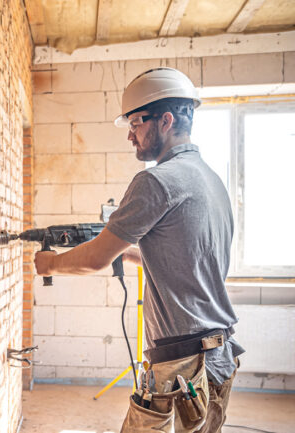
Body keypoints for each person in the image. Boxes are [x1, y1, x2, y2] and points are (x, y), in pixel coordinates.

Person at [34, 67, 244, 432]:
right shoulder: (212, 181)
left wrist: (49, 263)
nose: (130, 135)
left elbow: (96, 257)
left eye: (136, 122)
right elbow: (189, 258)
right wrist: (131, 254)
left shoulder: (156, 181)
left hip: (180, 370)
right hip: (217, 359)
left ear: (165, 120)